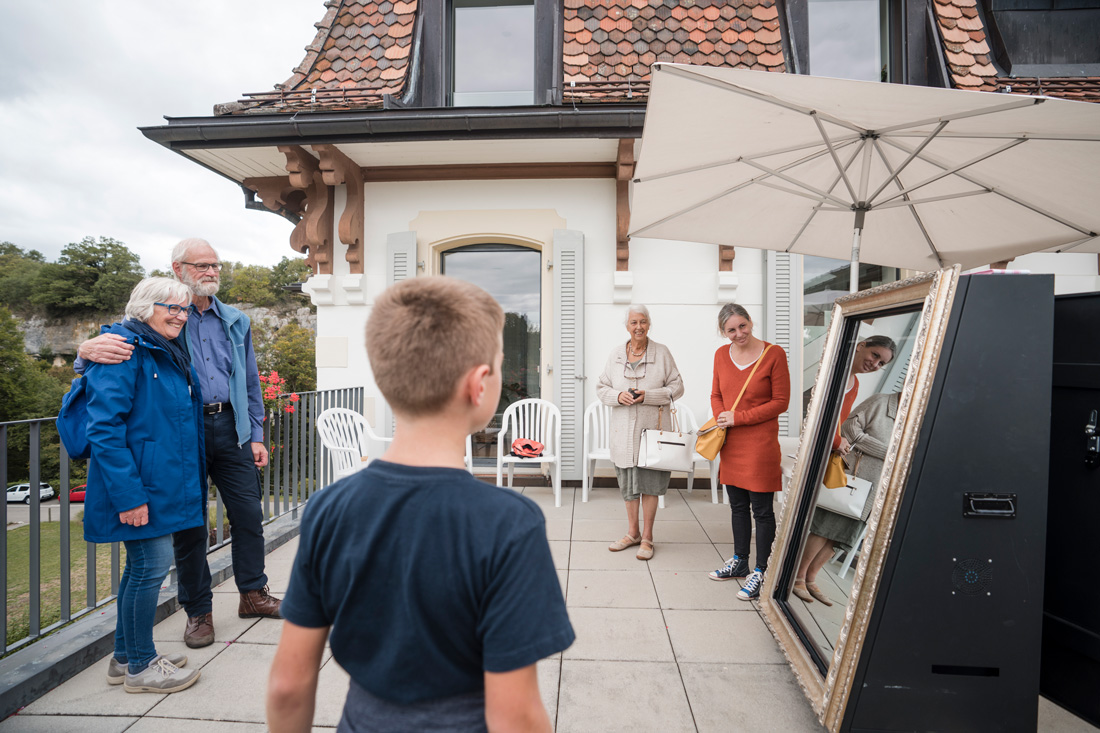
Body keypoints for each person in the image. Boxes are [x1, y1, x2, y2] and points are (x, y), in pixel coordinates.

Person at [266, 276, 574, 733]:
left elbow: (288, 686)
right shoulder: (509, 523)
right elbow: (516, 715)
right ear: (480, 384)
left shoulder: (328, 508)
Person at [77, 238, 280, 649]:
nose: (211, 272)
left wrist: (256, 434)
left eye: (216, 265)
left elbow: (251, 381)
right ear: (178, 268)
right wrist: (83, 351)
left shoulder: (235, 319)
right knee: (189, 527)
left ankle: (253, 594)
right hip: (182, 433)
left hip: (232, 429)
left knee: (247, 514)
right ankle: (198, 612)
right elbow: (121, 345)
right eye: (202, 265)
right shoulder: (165, 313)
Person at [82, 277, 205, 693]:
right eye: (170, 306)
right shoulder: (123, 348)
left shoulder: (161, 347)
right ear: (143, 307)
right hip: (137, 484)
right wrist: (130, 496)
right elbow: (104, 429)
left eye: (185, 308)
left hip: (157, 479)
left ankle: (123, 657)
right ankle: (141, 666)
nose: (180, 314)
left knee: (141, 568)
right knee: (150, 567)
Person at [792, 335, 896, 605]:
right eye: (874, 355)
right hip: (854, 473)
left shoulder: (855, 382)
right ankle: (798, 576)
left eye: (881, 363)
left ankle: (812, 577)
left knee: (845, 533)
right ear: (861, 345)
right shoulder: (880, 401)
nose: (875, 363)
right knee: (827, 525)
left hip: (875, 484)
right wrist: (886, 452)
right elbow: (844, 425)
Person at [707, 303, 791, 601]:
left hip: (760, 444)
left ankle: (762, 570)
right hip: (731, 442)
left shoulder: (774, 354)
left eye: (742, 326)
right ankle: (740, 561)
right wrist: (721, 416)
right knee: (738, 506)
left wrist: (738, 417)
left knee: (762, 509)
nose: (739, 333)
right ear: (723, 332)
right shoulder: (720, 355)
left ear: (750, 322)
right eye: (731, 330)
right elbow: (716, 394)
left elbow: (781, 402)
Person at [596, 305, 685, 561]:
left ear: (649, 325)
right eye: (634, 322)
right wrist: (617, 395)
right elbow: (601, 387)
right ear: (627, 326)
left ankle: (648, 537)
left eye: (643, 322)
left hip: (653, 432)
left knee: (650, 484)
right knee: (628, 484)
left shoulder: (662, 353)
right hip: (623, 432)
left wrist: (649, 396)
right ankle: (632, 533)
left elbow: (677, 387)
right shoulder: (615, 355)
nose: (638, 327)